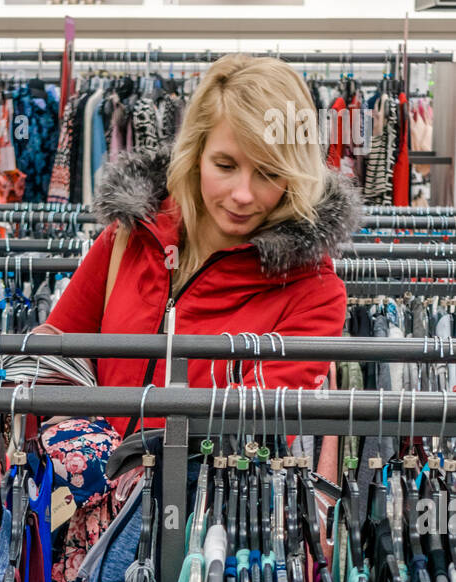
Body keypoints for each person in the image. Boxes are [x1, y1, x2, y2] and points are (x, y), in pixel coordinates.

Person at [36, 54, 364, 465]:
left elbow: (253, 436)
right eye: (225, 165)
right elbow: (51, 363)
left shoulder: (312, 292)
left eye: (267, 173)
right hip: (89, 511)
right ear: (196, 153)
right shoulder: (131, 236)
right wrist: (86, 458)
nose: (243, 194)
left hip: (208, 519)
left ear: (295, 175)